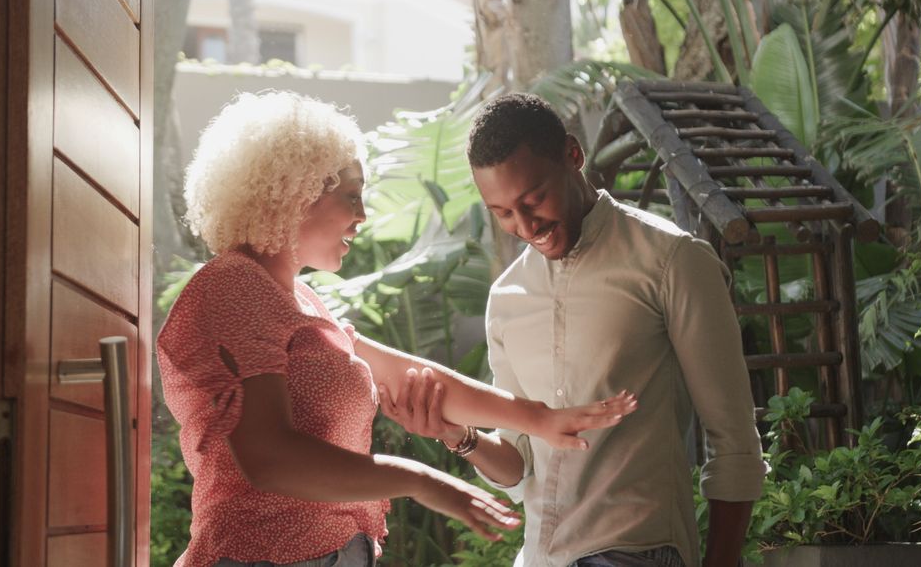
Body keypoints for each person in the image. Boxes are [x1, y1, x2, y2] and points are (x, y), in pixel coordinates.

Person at [156, 91, 638, 567]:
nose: (362, 215)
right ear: (294, 194)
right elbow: (269, 457)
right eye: (351, 196)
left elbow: (407, 376)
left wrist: (539, 419)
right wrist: (421, 479)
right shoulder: (234, 286)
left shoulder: (299, 301)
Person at [379, 93, 767, 567]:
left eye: (533, 198)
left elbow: (734, 439)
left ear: (572, 156)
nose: (524, 225)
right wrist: (458, 435)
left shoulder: (672, 261)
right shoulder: (506, 298)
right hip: (540, 557)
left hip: (634, 551)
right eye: (502, 212)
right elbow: (519, 466)